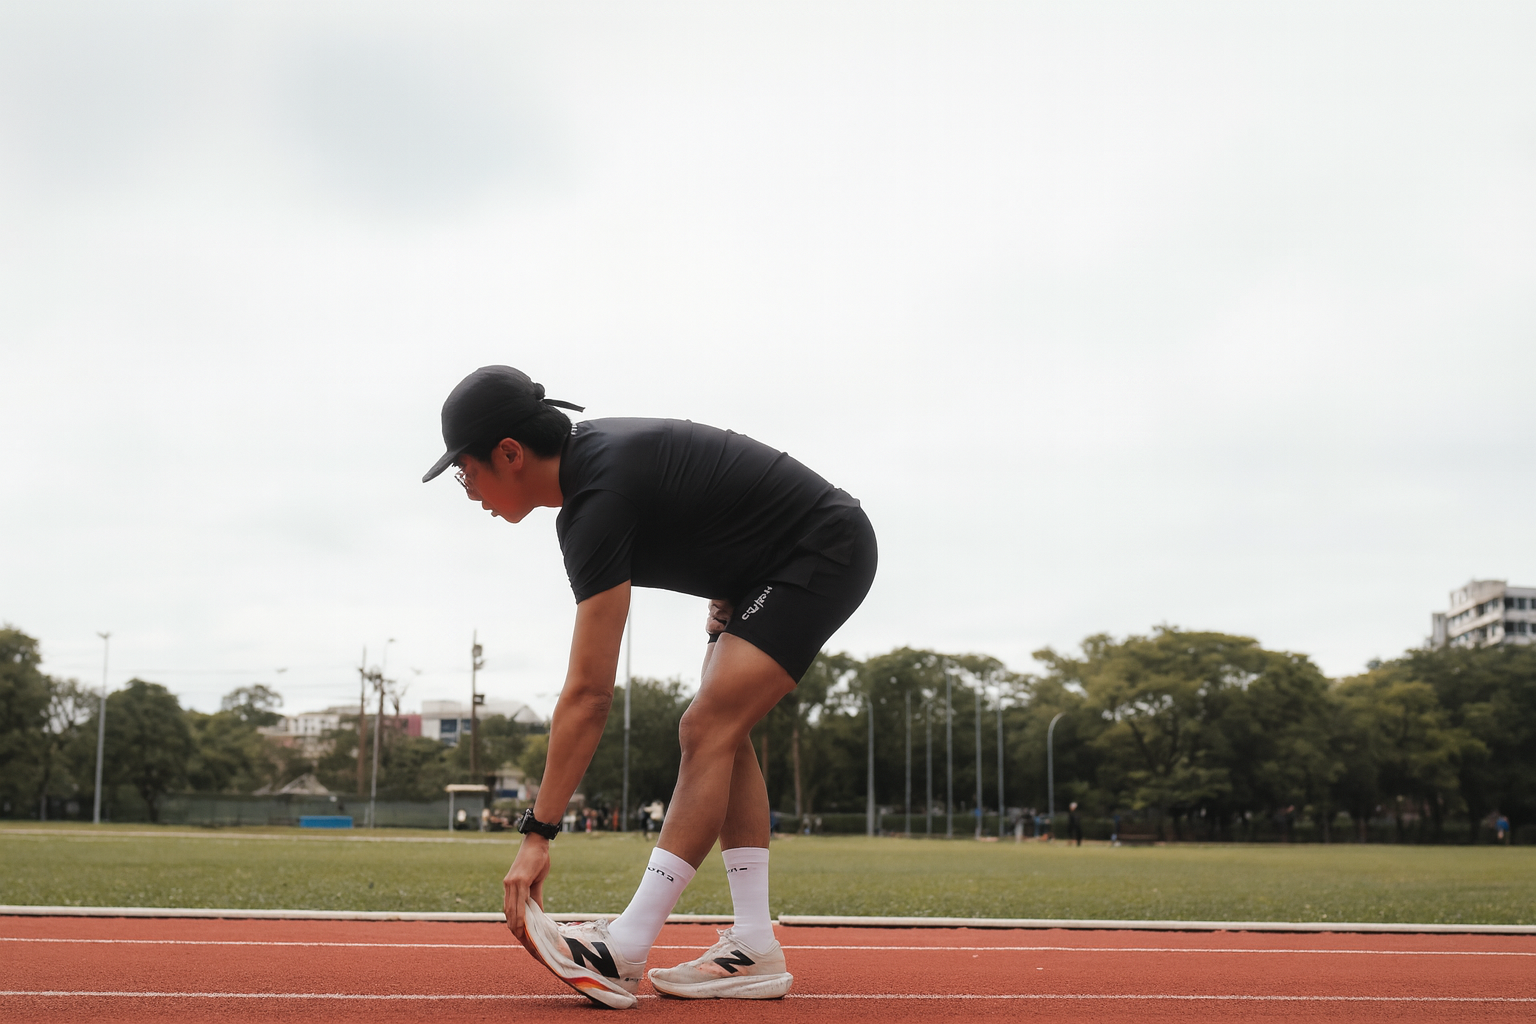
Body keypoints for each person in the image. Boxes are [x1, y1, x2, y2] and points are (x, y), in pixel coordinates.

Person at [422, 366, 877, 1008]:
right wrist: (732, 576)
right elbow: (719, 492)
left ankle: (625, 947)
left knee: (705, 727)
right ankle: (752, 945)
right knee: (721, 730)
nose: (468, 491)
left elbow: (588, 695)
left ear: (510, 453)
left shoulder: (599, 498)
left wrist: (537, 836)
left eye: (466, 472)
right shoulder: (595, 477)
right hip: (770, 563)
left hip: (821, 547)